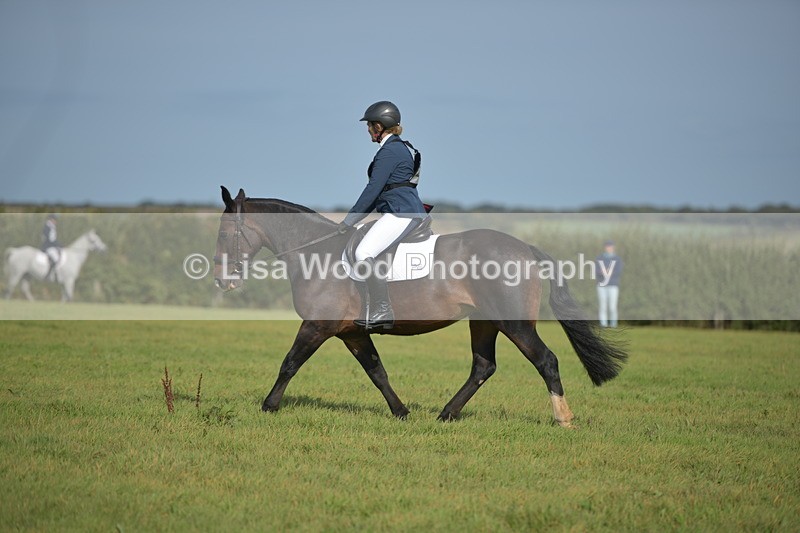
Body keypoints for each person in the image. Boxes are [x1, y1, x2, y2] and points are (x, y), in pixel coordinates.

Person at [337, 101, 428, 331]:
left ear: (379, 126)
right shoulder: (399, 148)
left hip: (401, 212)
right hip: (401, 210)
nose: (368, 130)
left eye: (369, 125)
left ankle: (382, 309)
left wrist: (349, 220)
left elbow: (373, 190)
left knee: (363, 252)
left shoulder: (389, 152)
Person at [596, 239, 623, 327]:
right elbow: (596, 270)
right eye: (607, 246)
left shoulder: (617, 259)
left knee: (612, 306)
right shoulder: (599, 258)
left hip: (613, 285)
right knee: (603, 306)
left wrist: (610, 272)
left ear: (613, 247)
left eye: (610, 246)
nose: (609, 248)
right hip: (601, 285)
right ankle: (603, 324)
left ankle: (613, 324)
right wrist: (602, 272)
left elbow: (618, 271)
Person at [41, 214, 62, 282]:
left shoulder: (52, 227)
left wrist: (59, 245)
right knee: (56, 258)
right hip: (48, 247)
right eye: (55, 220)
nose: (56, 221)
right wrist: (58, 245)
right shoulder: (48, 227)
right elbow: (51, 239)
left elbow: (53, 239)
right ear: (51, 219)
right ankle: (48, 275)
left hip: (51, 246)